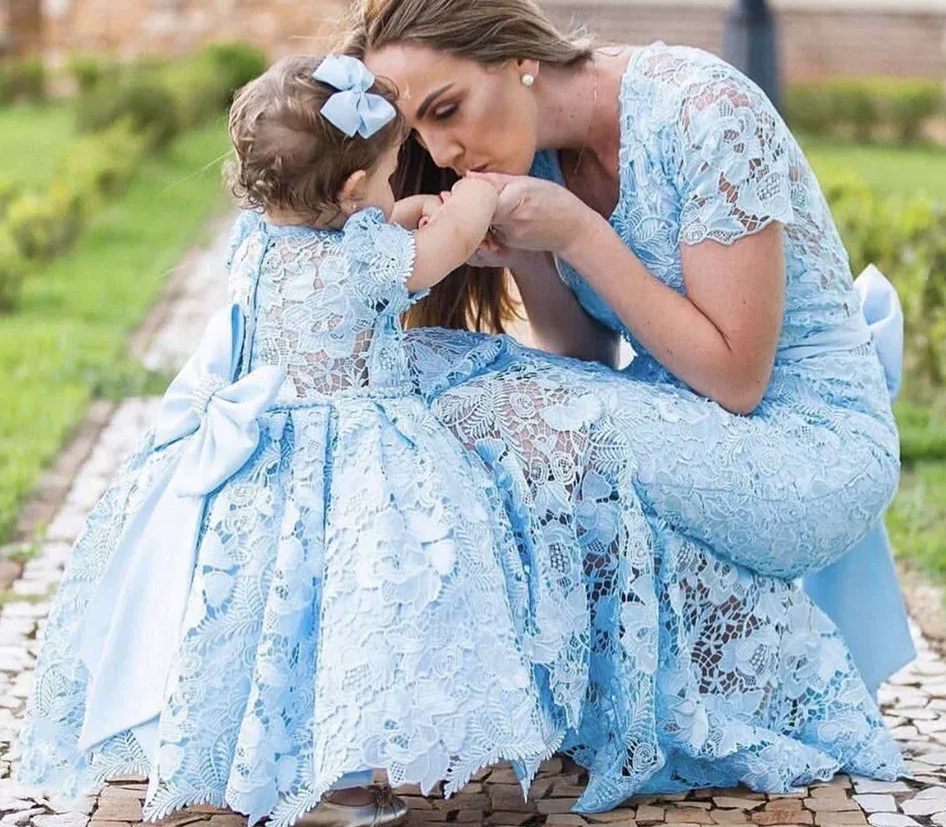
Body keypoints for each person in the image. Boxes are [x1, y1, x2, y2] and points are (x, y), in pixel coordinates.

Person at [338, 0, 914, 810]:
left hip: (807, 449)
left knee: (475, 392)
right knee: (425, 370)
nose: (443, 149)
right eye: (420, 131)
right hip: (681, 430)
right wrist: (527, 257)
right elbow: (580, 370)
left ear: (516, 54)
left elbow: (737, 379)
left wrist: (578, 237)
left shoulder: (704, 110)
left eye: (446, 109)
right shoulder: (526, 158)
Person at [16, 54, 577, 827]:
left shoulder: (253, 243)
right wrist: (474, 198)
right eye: (383, 178)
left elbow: (361, 245)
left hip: (255, 457)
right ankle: (344, 778)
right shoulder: (371, 259)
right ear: (350, 194)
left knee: (260, 613)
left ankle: (231, 751)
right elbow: (436, 250)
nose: (388, 192)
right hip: (350, 466)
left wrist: (392, 213)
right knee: (343, 610)